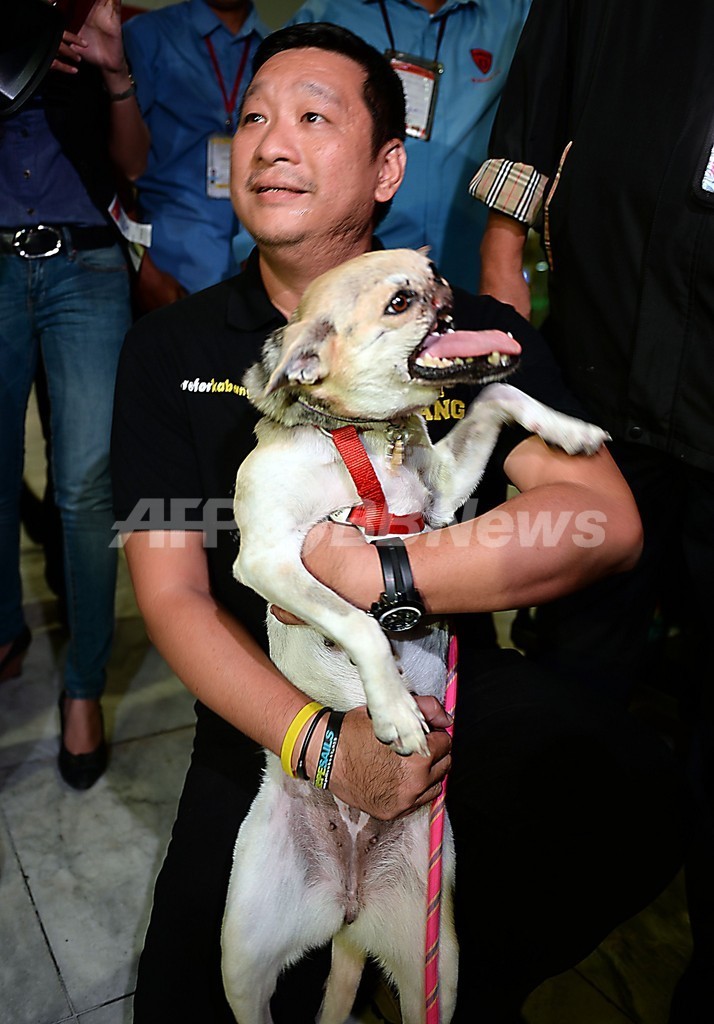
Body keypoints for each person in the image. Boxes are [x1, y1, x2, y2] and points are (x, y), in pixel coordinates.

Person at [111, 23, 685, 1024]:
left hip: (446, 698)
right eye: (254, 117)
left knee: (639, 798)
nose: (269, 143)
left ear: (387, 169)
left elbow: (602, 519)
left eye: (312, 117)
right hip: (268, 719)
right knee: (190, 1004)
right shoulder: (172, 348)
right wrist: (323, 747)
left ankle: (443, 980)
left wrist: (393, 574)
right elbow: (174, 597)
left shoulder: (466, 335)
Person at [470, 1, 714, 1019]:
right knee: (576, 663)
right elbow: (536, 107)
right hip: (601, 383)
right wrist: (502, 262)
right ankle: (520, 922)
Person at [0, 0, 149, 788]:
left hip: (86, 268)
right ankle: (6, 628)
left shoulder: (95, 21)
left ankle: (83, 686)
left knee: (86, 484)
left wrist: (114, 69)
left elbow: (134, 165)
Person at [242, 0, 533, 293]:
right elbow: (273, 125)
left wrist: (504, 257)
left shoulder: (514, 15)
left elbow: (536, 124)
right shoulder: (327, 14)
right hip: (346, 283)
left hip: (469, 266)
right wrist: (252, 254)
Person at [122, 0, 268, 312]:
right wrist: (142, 268)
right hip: (169, 266)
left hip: (255, 273)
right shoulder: (147, 35)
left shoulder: (275, 49)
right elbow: (115, 163)